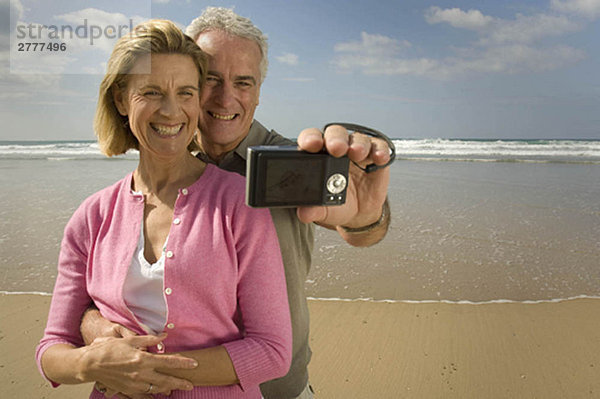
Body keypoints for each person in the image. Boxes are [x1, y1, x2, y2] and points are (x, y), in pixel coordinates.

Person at [80, 7, 392, 399]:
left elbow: (363, 230)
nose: (227, 97)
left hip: (279, 388)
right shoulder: (163, 157)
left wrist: (366, 218)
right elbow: (104, 290)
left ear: (259, 91)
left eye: (244, 82)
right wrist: (95, 327)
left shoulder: (291, 162)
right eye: (211, 79)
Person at [36, 19, 292, 399]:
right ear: (121, 98)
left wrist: (147, 371)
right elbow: (52, 349)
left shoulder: (240, 203)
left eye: (186, 92)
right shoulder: (91, 217)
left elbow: (272, 351)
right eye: (152, 92)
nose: (171, 111)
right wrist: (93, 363)